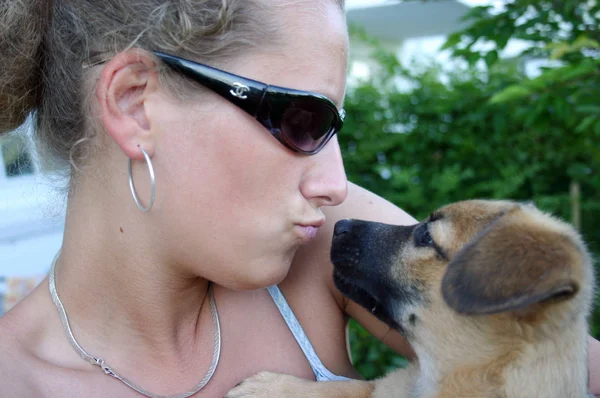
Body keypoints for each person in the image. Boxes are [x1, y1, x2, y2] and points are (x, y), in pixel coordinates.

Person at [0, 1, 599, 397]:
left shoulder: (325, 240)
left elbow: (554, 353)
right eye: (299, 120)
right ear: (135, 104)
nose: (334, 183)